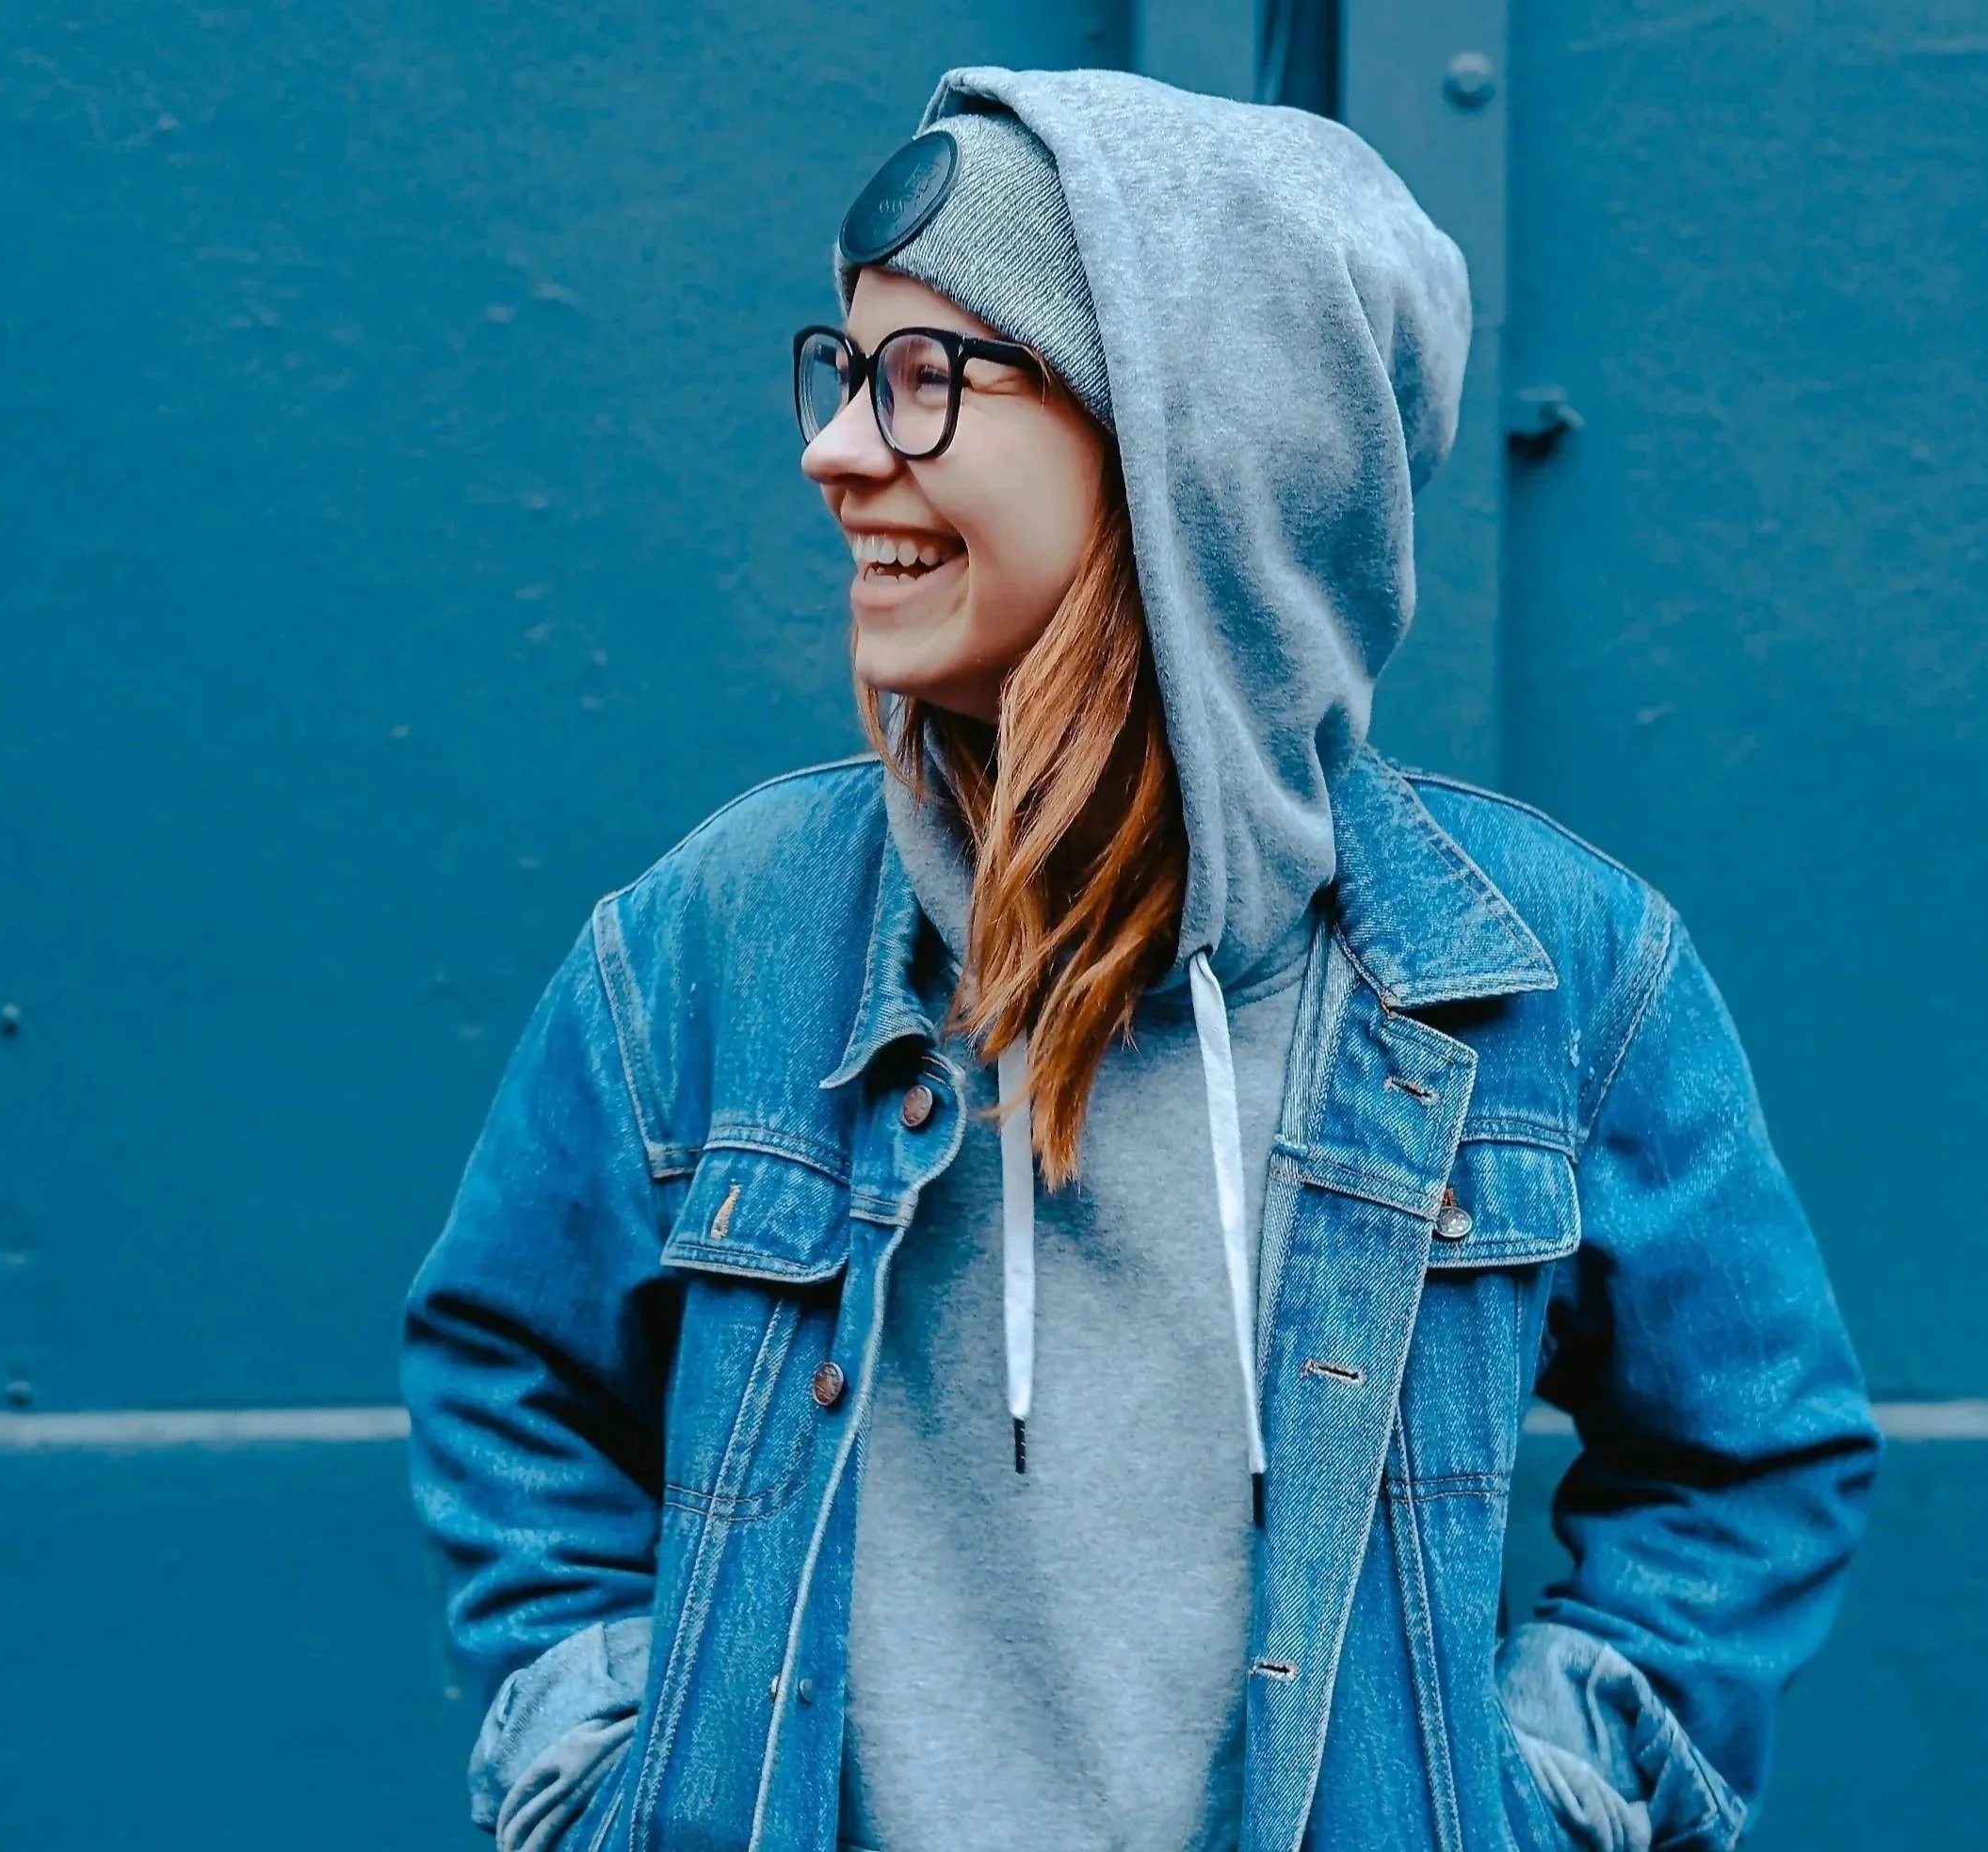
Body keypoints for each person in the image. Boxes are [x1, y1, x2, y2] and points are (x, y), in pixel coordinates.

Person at [401, 65, 1880, 1852]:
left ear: (1199, 451)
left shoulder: (1551, 981)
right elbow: (510, 1375)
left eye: (929, 380)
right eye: (844, 368)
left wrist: (1542, 1800)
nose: (837, 446)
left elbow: (1749, 1459)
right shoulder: (717, 943)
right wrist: (600, 1779)